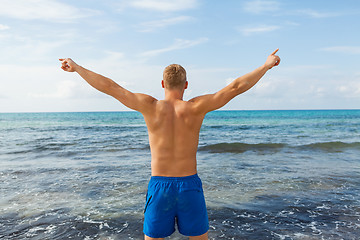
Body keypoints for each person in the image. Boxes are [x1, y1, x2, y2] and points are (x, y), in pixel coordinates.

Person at [59, 49, 280, 240]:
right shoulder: (196, 107)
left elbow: (111, 87)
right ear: (186, 85)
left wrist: (77, 68)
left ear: (163, 84)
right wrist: (266, 66)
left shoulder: (150, 106)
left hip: (160, 186)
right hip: (189, 186)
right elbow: (235, 87)